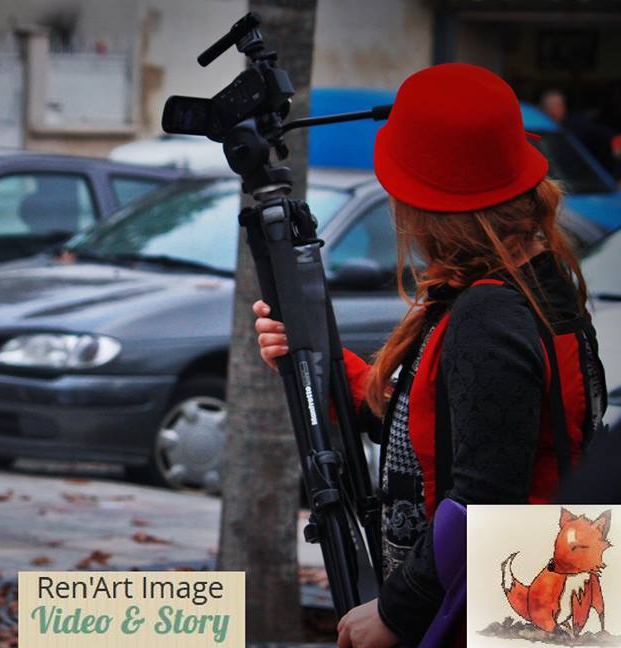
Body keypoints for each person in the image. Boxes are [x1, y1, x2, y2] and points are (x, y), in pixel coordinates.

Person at [254, 64, 607, 648]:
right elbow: (429, 433)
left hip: (500, 621)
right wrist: (318, 364)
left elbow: (483, 497)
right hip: (545, 613)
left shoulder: (490, 316)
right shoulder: (530, 285)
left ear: (426, 207)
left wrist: (396, 613)